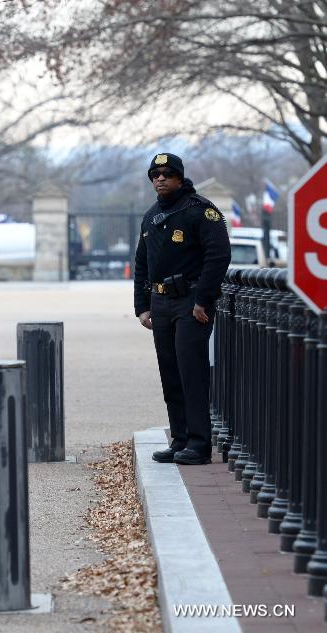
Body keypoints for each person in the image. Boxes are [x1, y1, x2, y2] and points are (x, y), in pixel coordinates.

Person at [134, 152, 231, 465]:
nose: (160, 178)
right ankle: (180, 439)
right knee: (171, 374)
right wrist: (142, 306)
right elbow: (141, 263)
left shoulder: (200, 211)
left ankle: (200, 444)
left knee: (192, 372)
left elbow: (218, 256)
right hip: (161, 303)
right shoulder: (150, 216)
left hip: (191, 303)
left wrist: (204, 298)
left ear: (179, 177)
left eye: (167, 173)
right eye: (155, 174)